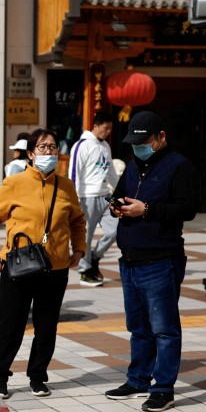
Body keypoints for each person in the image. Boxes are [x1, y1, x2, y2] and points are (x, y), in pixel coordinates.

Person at [0, 128, 86, 399]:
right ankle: (0, 376)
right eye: (42, 147)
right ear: (30, 154)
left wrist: (80, 248)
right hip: (19, 264)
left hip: (56, 267)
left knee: (47, 324)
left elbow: (77, 220)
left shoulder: (66, 185)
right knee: (11, 323)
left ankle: (38, 376)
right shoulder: (13, 183)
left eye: (53, 147)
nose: (48, 152)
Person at [105, 111, 196, 412]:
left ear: (160, 138)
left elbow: (186, 209)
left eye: (144, 142)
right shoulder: (132, 165)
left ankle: (164, 388)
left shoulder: (179, 166)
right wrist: (117, 208)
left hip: (161, 259)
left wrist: (147, 210)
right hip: (130, 258)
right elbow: (120, 195)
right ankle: (138, 379)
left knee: (164, 328)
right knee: (138, 326)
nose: (138, 147)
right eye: (134, 142)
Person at [69, 112, 120, 287]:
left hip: (105, 195)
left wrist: (121, 192)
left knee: (116, 229)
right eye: (106, 128)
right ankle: (85, 270)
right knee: (85, 236)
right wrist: (73, 200)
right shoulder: (81, 145)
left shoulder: (105, 145)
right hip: (86, 197)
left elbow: (111, 171)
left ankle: (95, 258)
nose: (108, 132)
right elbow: (73, 174)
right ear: (96, 126)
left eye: (110, 129)